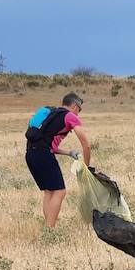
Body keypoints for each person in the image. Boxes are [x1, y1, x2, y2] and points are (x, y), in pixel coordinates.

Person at [24, 92, 92, 228]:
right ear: (74, 106)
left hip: (30, 154)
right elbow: (86, 145)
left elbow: (45, 143)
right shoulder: (70, 116)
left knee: (49, 191)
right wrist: (87, 166)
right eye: (79, 109)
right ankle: (50, 230)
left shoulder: (50, 114)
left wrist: (69, 152)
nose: (78, 113)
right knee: (60, 191)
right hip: (44, 155)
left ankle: (48, 226)